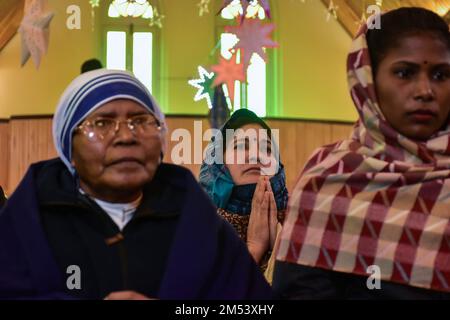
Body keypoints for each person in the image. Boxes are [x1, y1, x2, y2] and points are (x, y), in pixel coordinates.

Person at [0, 69, 272, 300]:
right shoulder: (26, 223)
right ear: (69, 146)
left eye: (140, 121)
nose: (126, 137)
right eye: (103, 123)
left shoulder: (199, 222)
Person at [274, 7, 450, 299]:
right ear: (367, 81)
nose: (425, 91)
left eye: (440, 75)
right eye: (404, 73)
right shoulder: (328, 179)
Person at [200, 109, 288, 282]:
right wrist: (254, 249)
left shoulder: (301, 225)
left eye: (267, 149)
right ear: (219, 163)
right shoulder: (194, 229)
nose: (256, 156)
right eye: (241, 146)